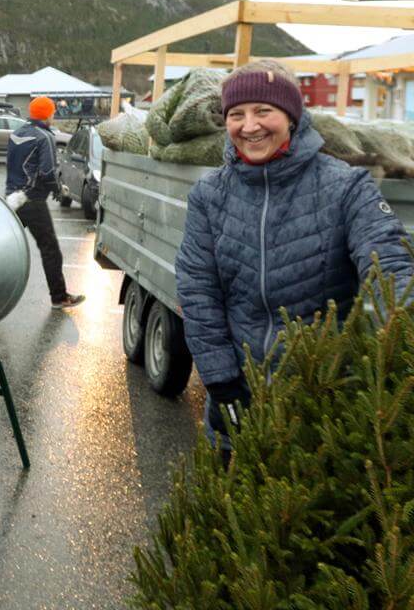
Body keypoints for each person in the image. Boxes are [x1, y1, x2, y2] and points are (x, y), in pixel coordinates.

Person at [175, 59, 412, 448]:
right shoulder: (210, 195)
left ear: (291, 118)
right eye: (237, 114)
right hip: (239, 386)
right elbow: (198, 289)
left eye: (263, 111)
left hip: (321, 393)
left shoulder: (344, 186)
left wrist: (405, 340)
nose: (249, 126)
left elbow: (388, 263)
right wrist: (220, 381)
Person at [5, 97, 85, 309]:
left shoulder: (17, 133)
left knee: (3, 246)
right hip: (32, 200)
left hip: (12, 198)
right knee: (50, 249)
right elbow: (48, 172)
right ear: (48, 114)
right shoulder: (44, 136)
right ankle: (59, 297)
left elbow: (12, 165)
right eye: (51, 112)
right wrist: (59, 189)